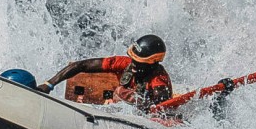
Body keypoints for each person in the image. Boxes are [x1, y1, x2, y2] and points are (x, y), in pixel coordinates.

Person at [36, 34, 173, 113]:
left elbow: (161, 114)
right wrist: (49, 84)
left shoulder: (159, 83)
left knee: (122, 92)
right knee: (121, 91)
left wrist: (138, 102)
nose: (133, 65)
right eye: (133, 59)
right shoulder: (123, 63)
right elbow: (80, 66)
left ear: (153, 63)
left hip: (138, 117)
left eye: (138, 62)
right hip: (113, 110)